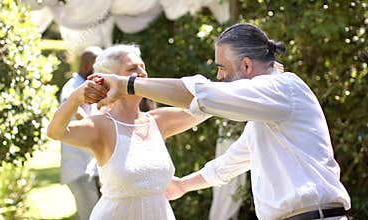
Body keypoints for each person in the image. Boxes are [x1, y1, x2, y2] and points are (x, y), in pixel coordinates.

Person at [88, 23, 351, 220]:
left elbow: (202, 95)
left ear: (246, 66)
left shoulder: (282, 89)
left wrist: (127, 84)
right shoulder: (267, 112)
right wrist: (183, 185)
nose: (219, 77)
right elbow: (231, 162)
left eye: (221, 68)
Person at [47, 44, 208, 220]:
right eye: (132, 68)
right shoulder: (101, 126)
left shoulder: (159, 121)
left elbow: (207, 105)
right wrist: (76, 97)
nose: (142, 73)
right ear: (110, 80)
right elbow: (55, 132)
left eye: (143, 67)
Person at [59, 46, 103, 220]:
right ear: (86, 67)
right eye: (98, 66)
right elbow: (75, 108)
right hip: (78, 168)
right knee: (90, 216)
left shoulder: (87, 85)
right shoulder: (72, 87)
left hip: (91, 166)